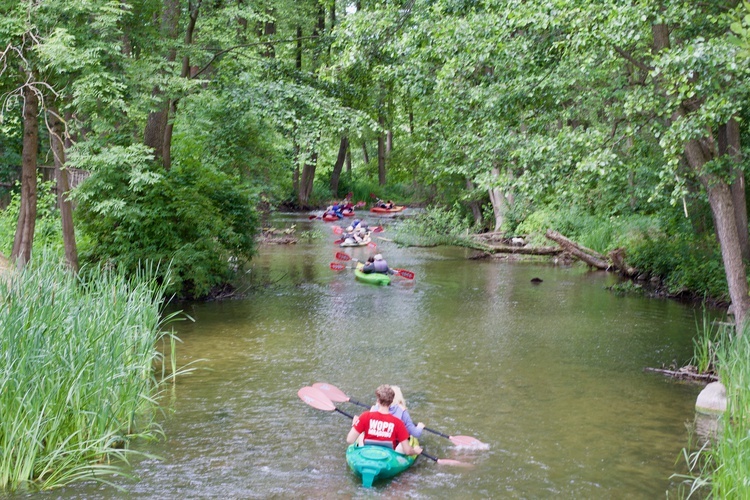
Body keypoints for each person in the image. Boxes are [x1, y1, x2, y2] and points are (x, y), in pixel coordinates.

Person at [347, 385, 423, 456]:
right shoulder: (398, 423)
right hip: (387, 456)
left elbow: (350, 440)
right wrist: (415, 451)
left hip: (368, 454)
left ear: (378, 401)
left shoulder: (365, 416)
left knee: (361, 434)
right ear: (391, 402)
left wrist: (355, 424)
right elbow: (408, 451)